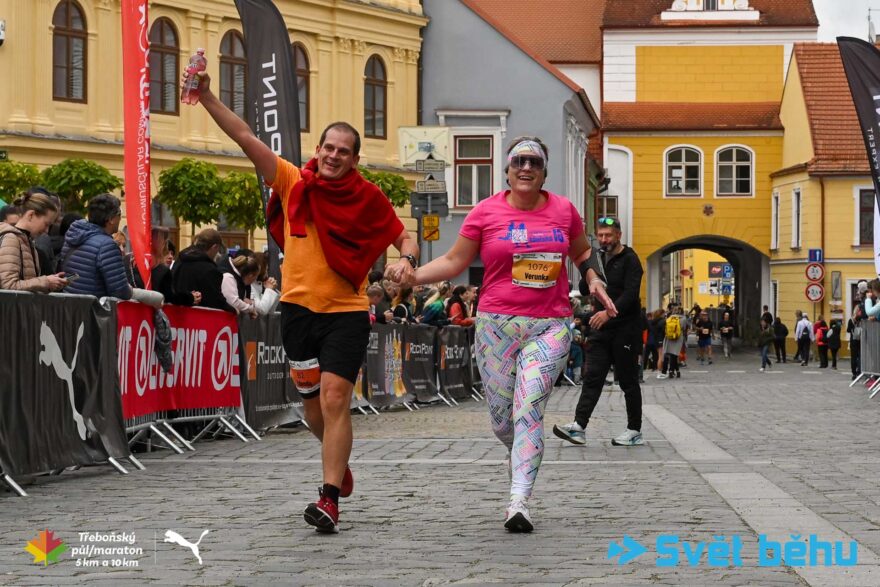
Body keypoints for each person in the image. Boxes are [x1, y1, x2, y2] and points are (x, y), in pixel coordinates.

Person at [193, 68, 419, 534]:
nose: (334, 156)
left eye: (343, 151)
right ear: (318, 149)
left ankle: (328, 497)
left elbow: (405, 238)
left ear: (355, 159)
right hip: (297, 310)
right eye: (328, 148)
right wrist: (208, 96)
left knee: (336, 398)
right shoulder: (293, 181)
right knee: (313, 407)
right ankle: (339, 462)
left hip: (346, 311)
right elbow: (244, 137)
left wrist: (407, 261)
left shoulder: (369, 197)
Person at [398, 136, 613, 533]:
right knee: (502, 421)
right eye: (518, 161)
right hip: (495, 327)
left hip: (549, 326)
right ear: (508, 171)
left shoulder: (564, 210)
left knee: (528, 409)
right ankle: (519, 457)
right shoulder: (485, 212)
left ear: (544, 172)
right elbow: (454, 260)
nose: (526, 168)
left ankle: (519, 501)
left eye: (534, 162)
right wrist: (414, 277)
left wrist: (594, 279)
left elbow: (582, 253)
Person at [554, 216, 644, 449]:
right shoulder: (598, 258)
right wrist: (590, 271)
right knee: (592, 377)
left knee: (628, 381)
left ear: (619, 236)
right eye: (601, 235)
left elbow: (631, 295)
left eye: (608, 235)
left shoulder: (630, 259)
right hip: (600, 330)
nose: (604, 239)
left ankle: (634, 430)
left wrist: (608, 313)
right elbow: (584, 288)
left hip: (625, 329)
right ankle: (579, 426)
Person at [60, 194, 133, 300]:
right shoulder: (108, 246)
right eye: (119, 214)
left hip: (70, 305)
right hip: (94, 307)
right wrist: (130, 289)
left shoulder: (73, 236)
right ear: (111, 219)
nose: (120, 218)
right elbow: (120, 292)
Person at [0, 192, 68, 293]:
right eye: (46, 224)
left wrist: (51, 283)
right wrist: (46, 281)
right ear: (31, 215)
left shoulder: (28, 241)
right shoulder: (11, 239)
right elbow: (8, 286)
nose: (47, 230)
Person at [172, 229, 233, 312]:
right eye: (217, 250)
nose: (217, 253)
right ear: (214, 247)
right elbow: (216, 300)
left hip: (176, 314)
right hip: (199, 317)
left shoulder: (180, 259)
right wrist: (233, 310)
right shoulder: (209, 269)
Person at [221, 254, 261, 318]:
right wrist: (250, 309)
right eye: (256, 276)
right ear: (250, 275)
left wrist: (243, 301)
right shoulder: (228, 277)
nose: (255, 280)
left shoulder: (238, 278)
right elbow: (233, 302)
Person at [658, 306, 686, 379]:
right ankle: (672, 371)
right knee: (674, 355)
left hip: (669, 337)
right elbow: (683, 328)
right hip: (678, 337)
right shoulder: (683, 318)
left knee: (669, 354)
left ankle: (671, 371)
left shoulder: (669, 318)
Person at [848, 304, 864, 380]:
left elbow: (848, 330)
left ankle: (854, 373)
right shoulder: (862, 320)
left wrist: (853, 329)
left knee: (853, 357)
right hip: (861, 340)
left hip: (853, 341)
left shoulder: (851, 320)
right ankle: (859, 371)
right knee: (860, 356)